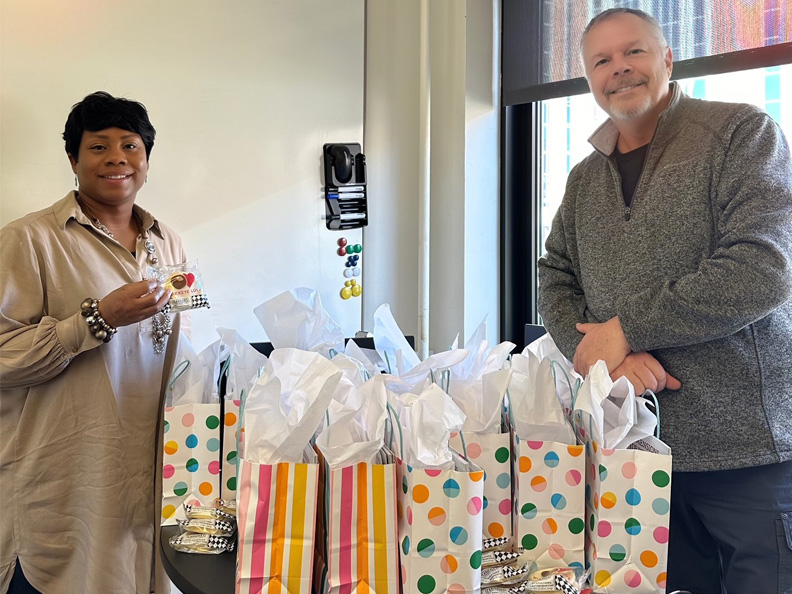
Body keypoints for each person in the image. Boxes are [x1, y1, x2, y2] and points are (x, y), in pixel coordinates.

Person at [537, 8, 792, 593]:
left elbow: (762, 269)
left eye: (634, 52)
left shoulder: (739, 133)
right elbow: (554, 275)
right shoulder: (585, 178)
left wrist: (627, 329)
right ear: (587, 78)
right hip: (636, 452)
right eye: (601, 61)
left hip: (748, 453)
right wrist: (598, 351)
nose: (618, 69)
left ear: (669, 60)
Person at [0, 92, 186, 593]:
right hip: (65, 478)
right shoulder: (29, 239)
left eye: (130, 145)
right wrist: (97, 318)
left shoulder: (166, 241)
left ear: (146, 158)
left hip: (150, 477)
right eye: (98, 147)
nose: (117, 159)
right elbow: (2, 357)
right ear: (73, 159)